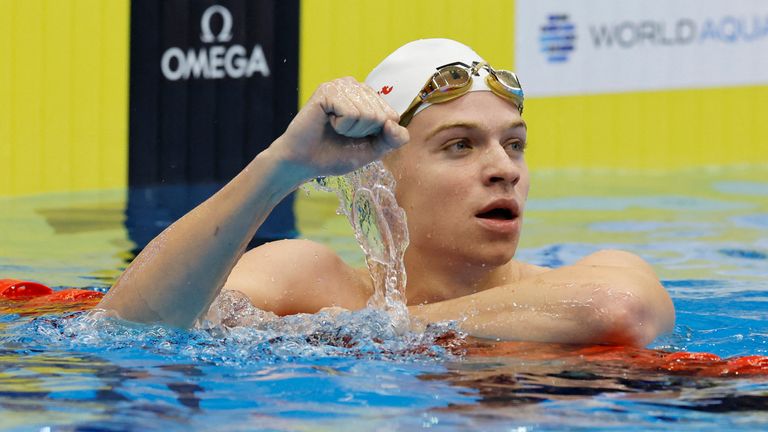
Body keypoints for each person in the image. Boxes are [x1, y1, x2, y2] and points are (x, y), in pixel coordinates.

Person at [98, 39, 675, 347]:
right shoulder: (310, 279)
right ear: (383, 177)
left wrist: (376, 329)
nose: (504, 169)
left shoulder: (589, 276)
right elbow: (130, 328)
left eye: (515, 144)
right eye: (460, 146)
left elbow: (616, 310)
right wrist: (279, 168)